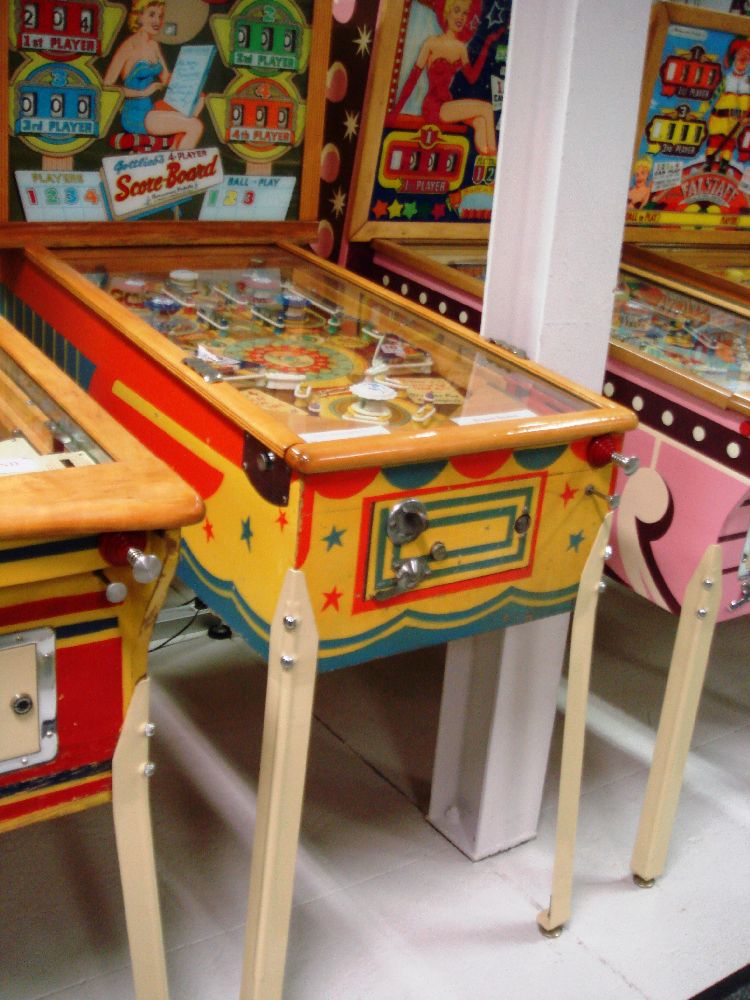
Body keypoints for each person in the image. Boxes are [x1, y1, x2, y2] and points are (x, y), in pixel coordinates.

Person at [389, 0, 504, 156]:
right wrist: (395, 111)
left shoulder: (461, 48)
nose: (461, 17)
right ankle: (496, 156)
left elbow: (472, 78)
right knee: (486, 108)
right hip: (434, 106)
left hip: (447, 104)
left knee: (480, 122)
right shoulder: (431, 43)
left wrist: (487, 44)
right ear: (447, 13)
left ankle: (487, 160)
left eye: (465, 13)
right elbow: (412, 79)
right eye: (457, 10)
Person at [104, 0, 204, 150]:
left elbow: (166, 79)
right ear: (139, 16)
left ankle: (173, 152)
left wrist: (190, 81)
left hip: (153, 110)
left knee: (199, 99)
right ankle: (176, 157)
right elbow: (107, 87)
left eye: (160, 16)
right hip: (138, 116)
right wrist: (143, 92)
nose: (158, 21)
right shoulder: (128, 47)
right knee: (195, 126)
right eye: (152, 14)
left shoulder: (154, 45)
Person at [704, 36, 750, 171]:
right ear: (734, 58)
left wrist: (747, 119)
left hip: (737, 120)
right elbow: (714, 96)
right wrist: (702, 109)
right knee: (715, 140)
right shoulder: (726, 79)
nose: (743, 60)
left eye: (747, 57)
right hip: (719, 118)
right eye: (740, 55)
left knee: (729, 144)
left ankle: (723, 166)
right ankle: (708, 163)